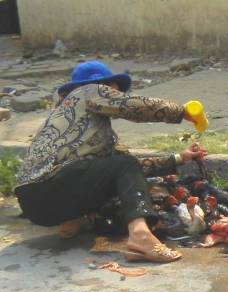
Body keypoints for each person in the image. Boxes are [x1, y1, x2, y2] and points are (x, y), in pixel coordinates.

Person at [14, 61, 207, 263]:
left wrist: (179, 158)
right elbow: (131, 106)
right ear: (106, 85)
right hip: (56, 182)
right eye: (113, 88)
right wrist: (180, 111)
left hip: (33, 205)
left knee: (120, 166)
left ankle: (71, 221)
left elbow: (127, 174)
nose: (116, 92)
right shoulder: (88, 91)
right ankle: (140, 235)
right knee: (123, 163)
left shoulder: (75, 125)